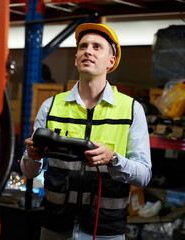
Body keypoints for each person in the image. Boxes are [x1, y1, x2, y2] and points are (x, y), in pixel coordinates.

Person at [20, 23, 152, 240]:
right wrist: (32, 157)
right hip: (55, 227)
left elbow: (144, 175)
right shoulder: (51, 106)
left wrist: (113, 159)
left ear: (111, 61)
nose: (88, 51)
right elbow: (29, 172)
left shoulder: (131, 110)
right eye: (83, 46)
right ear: (76, 58)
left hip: (105, 231)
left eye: (97, 47)